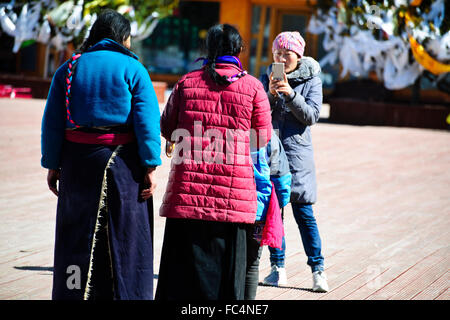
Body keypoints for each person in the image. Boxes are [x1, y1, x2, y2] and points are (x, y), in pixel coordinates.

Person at [41, 9, 161, 300]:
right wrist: (150, 166)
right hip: (124, 165)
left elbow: (53, 121)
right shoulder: (134, 68)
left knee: (75, 235)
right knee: (127, 237)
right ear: (123, 38)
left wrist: (53, 164)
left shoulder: (69, 68)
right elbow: (146, 121)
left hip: (77, 164)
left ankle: (72, 294)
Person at [155, 23, 272, 300]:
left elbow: (168, 128)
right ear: (239, 49)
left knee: (183, 278)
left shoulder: (186, 82)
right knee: (227, 280)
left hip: (188, 196)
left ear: (208, 49)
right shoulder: (254, 87)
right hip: (233, 198)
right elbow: (262, 139)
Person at [260, 31, 329, 292]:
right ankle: (278, 268)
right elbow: (257, 113)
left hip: (298, 157)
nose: (280, 57)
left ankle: (318, 271)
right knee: (274, 214)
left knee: (305, 215)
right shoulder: (267, 76)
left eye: (286, 54)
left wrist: (290, 94)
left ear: (298, 56)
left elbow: (311, 116)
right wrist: (268, 95)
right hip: (272, 155)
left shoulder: (312, 80)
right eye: (277, 53)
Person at [245, 131, 291, 300]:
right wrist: (278, 204)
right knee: (252, 263)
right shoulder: (269, 135)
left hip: (233, 208)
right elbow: (282, 178)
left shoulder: (228, 129)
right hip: (259, 211)